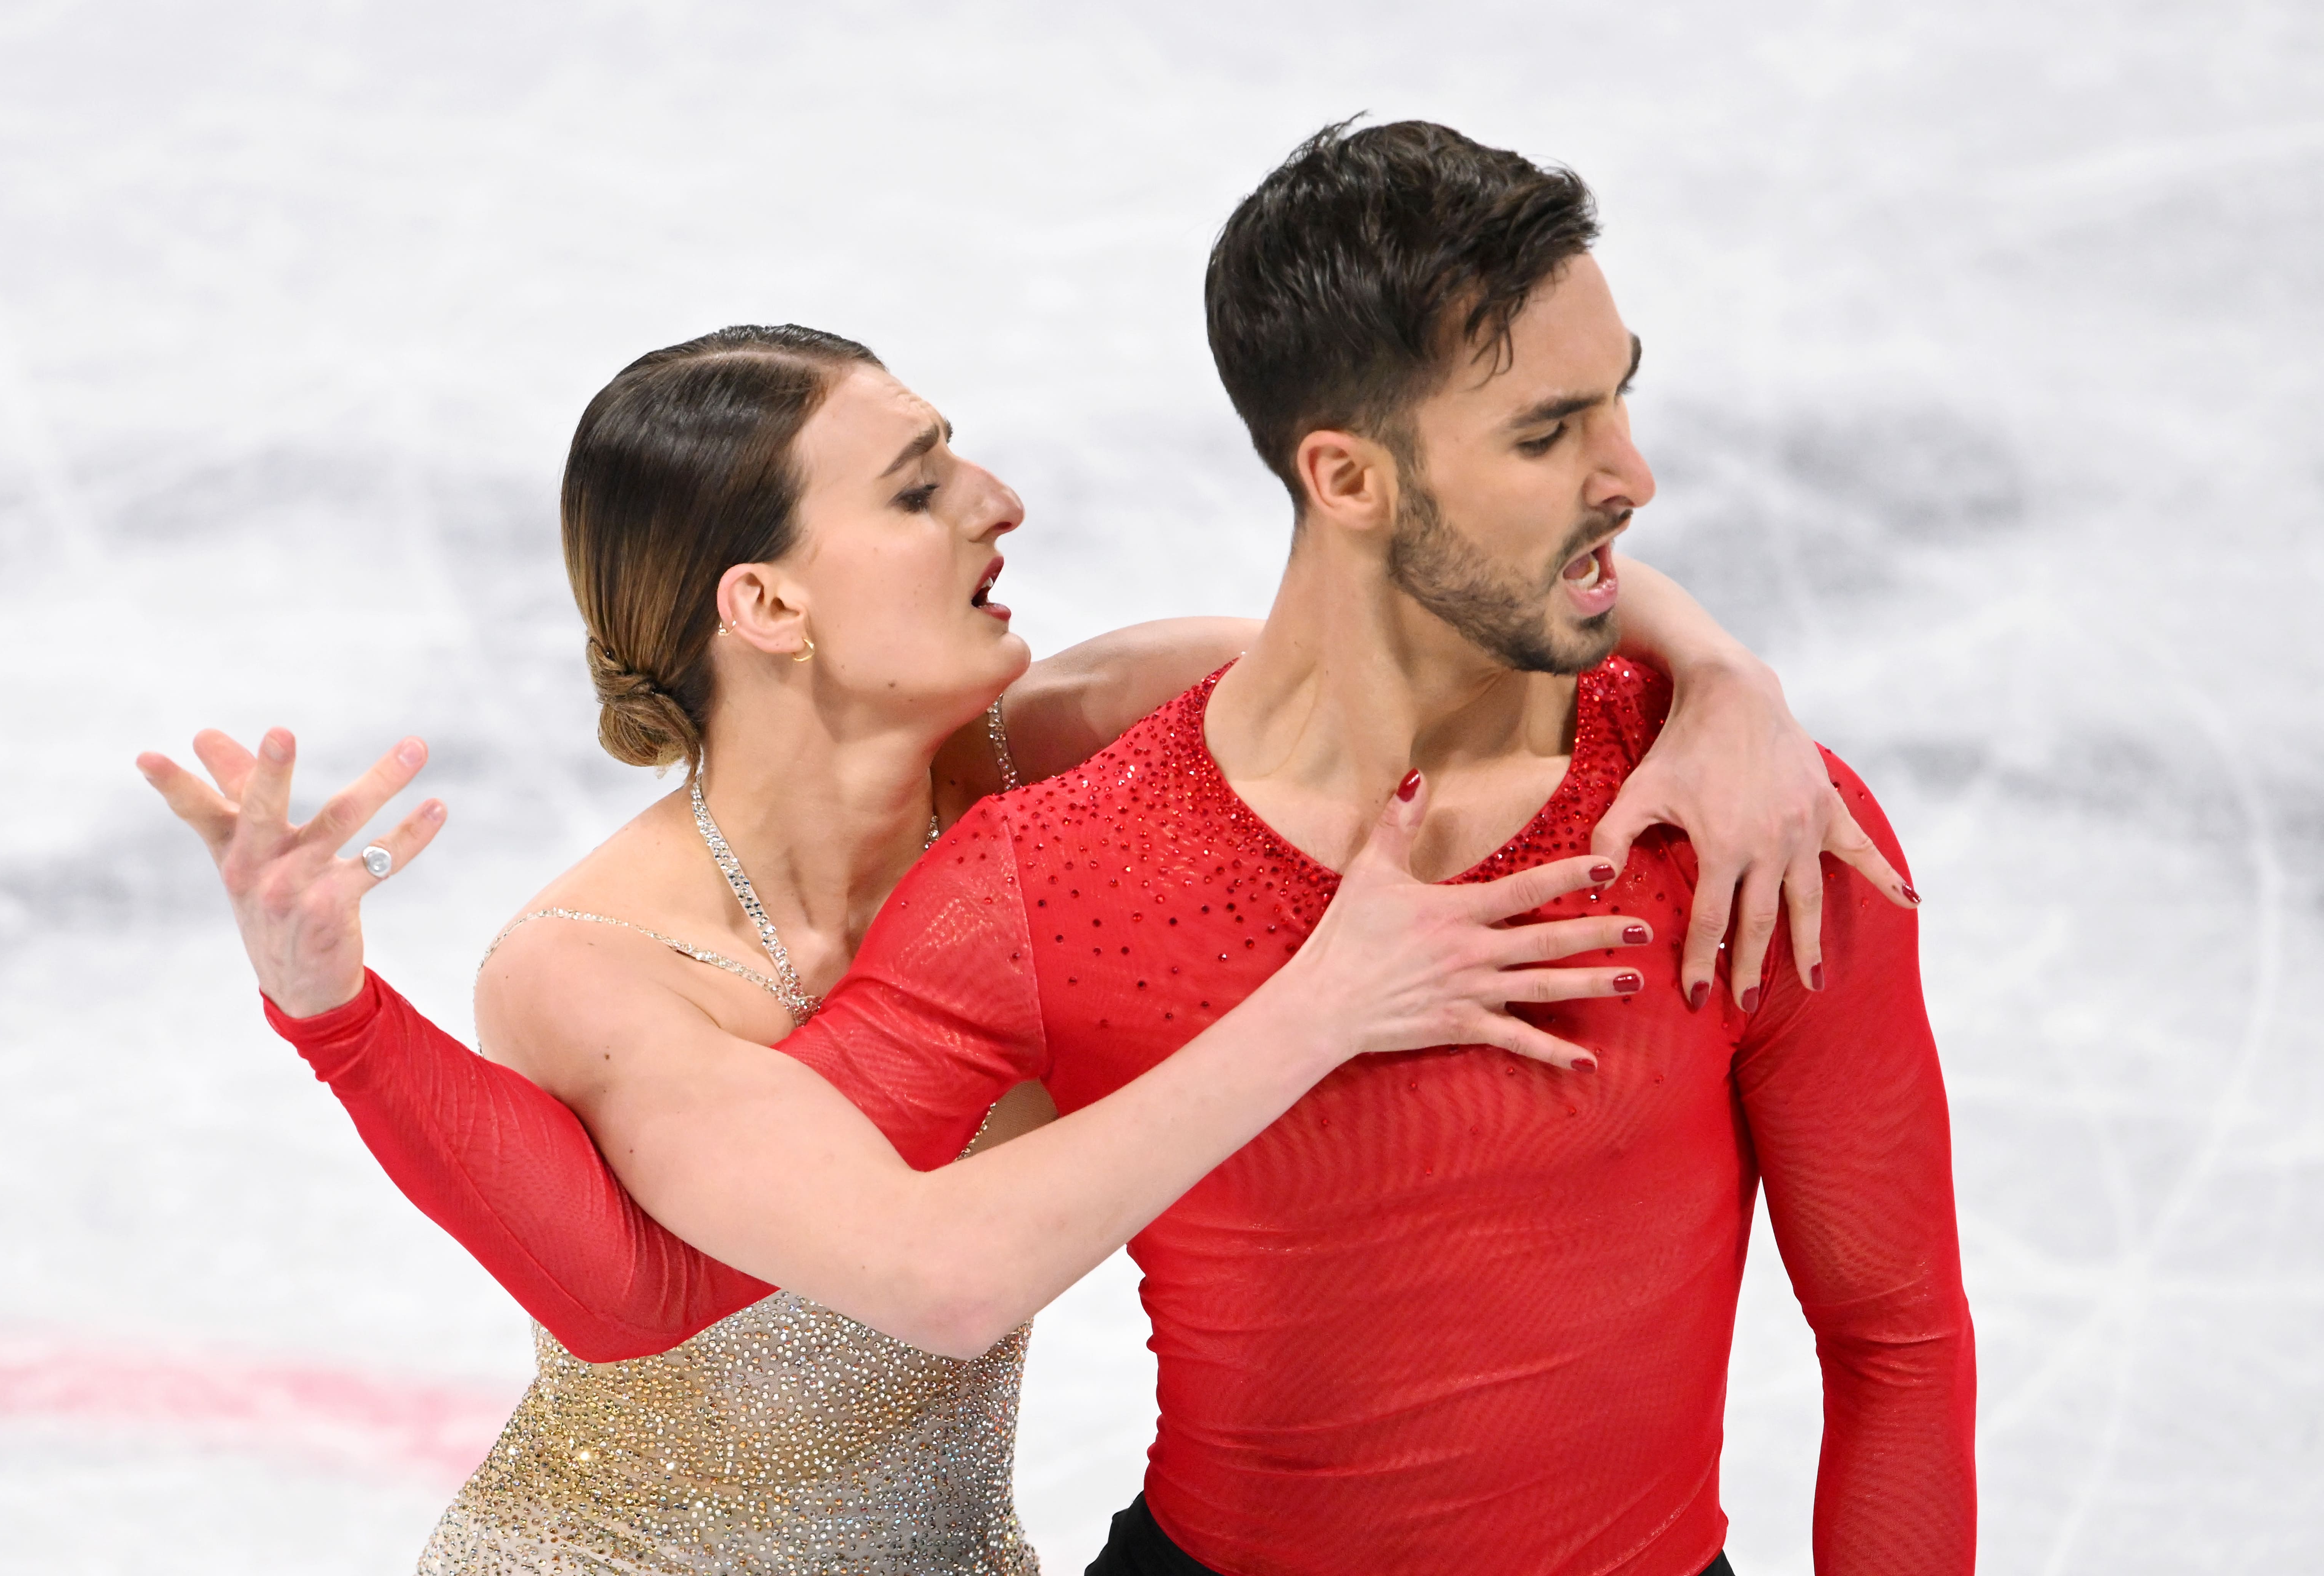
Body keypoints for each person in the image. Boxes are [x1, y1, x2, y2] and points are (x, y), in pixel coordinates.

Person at [142, 207, 1923, 1574]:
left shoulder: (1073, 740)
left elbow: (1431, 626)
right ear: (771, 606)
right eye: (920, 490)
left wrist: (1730, 686)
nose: (1000, 502)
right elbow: (757, 1289)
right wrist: (332, 1011)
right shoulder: (603, 963)